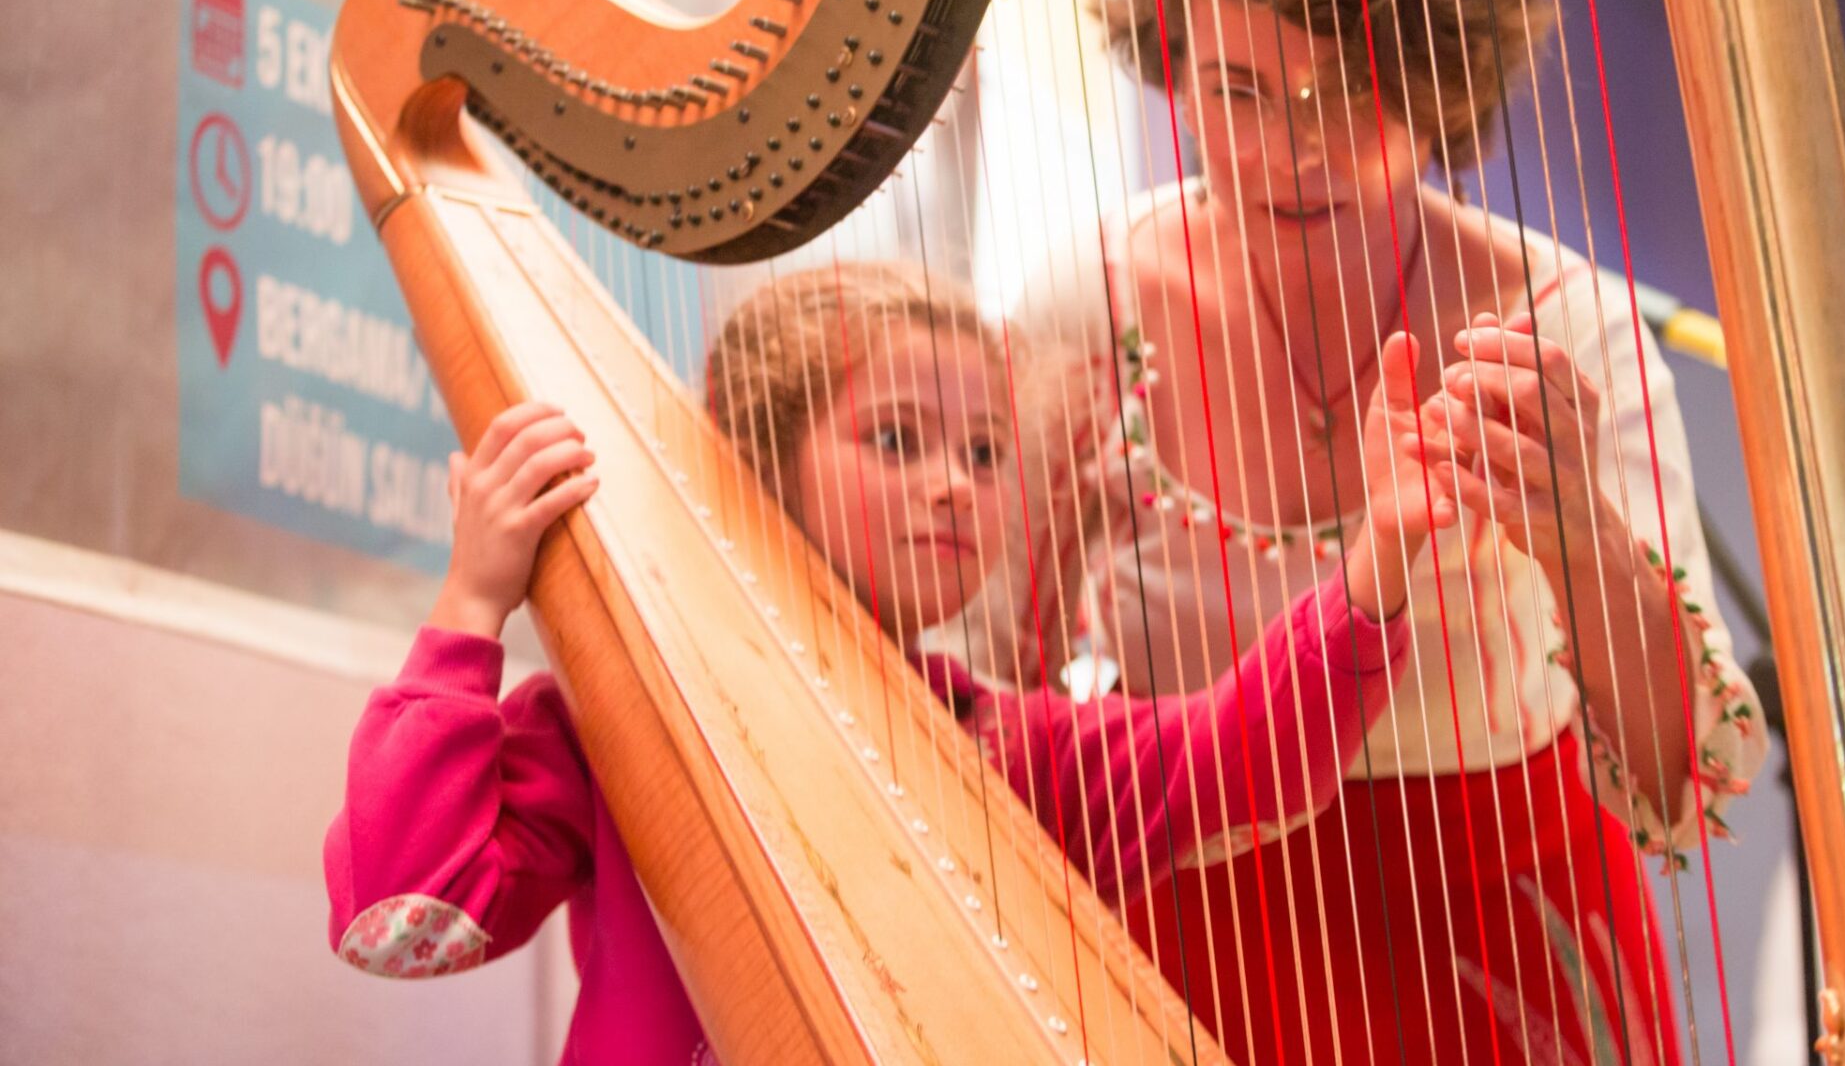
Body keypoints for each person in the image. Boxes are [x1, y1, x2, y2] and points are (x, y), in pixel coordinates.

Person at [1011, 0, 1770, 1062]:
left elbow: (1683, 776)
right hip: (1185, 941)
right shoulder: (1079, 306)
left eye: (1347, 90)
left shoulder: (1566, 326)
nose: (1289, 149)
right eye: (1237, 89)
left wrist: (1579, 535)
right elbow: (977, 704)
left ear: (1441, 85)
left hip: (1514, 944)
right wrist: (1051, 556)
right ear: (1171, 65)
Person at [323, 258, 1443, 1064]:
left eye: (986, 452)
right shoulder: (623, 716)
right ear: (763, 461)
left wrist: (1382, 552)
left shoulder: (1010, 746)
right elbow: (402, 913)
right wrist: (473, 603)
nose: (953, 483)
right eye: (898, 439)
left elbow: (1242, 750)